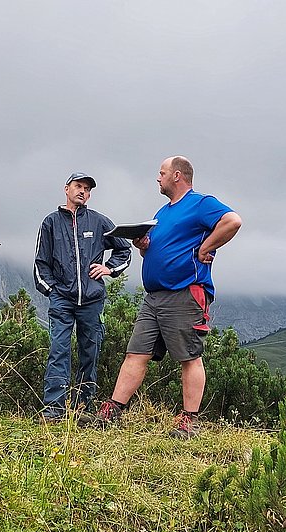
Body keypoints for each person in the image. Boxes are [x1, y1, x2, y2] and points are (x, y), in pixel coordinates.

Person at [80, 156, 242, 438]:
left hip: (185, 292)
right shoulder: (163, 212)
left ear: (177, 176)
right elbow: (155, 251)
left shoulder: (200, 203)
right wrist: (144, 246)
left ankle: (189, 421)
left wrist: (206, 247)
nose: (158, 178)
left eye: (162, 173)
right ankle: (112, 411)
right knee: (136, 352)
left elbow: (233, 221)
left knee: (189, 356)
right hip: (154, 296)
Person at [34, 172, 132, 421]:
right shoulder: (51, 223)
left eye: (87, 189)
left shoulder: (99, 222)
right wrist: (52, 290)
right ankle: (54, 409)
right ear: (66, 189)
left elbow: (124, 249)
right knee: (59, 351)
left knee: (90, 351)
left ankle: (82, 408)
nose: (83, 192)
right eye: (79, 186)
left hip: (92, 300)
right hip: (62, 300)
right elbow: (40, 263)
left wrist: (109, 269)